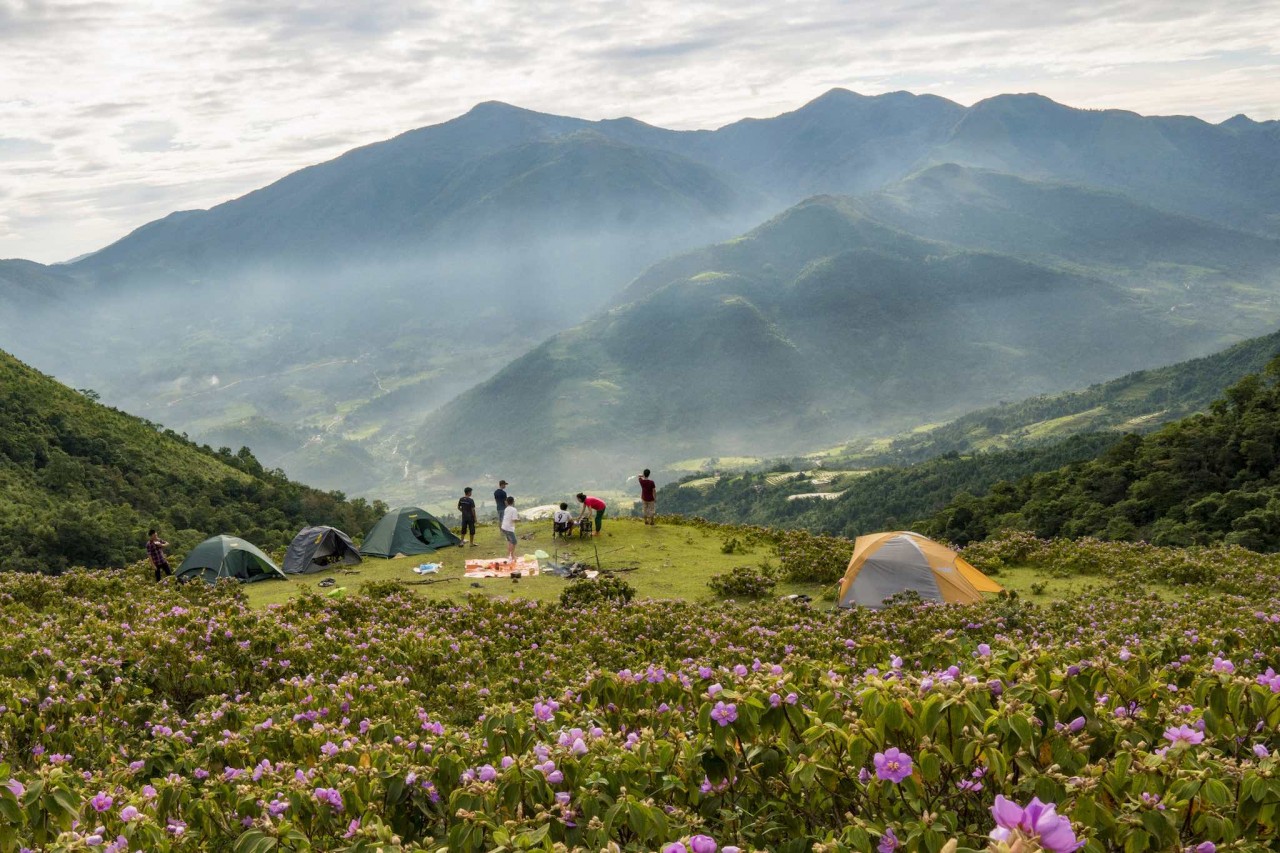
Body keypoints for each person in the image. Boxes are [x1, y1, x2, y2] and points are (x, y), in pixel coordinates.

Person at [500, 496, 519, 563]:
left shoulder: (506, 509)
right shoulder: (514, 509)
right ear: (513, 502)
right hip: (508, 528)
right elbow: (514, 520)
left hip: (504, 527)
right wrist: (518, 520)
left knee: (510, 541)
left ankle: (509, 555)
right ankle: (512, 555)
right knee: (514, 541)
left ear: (507, 502)